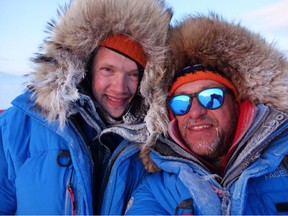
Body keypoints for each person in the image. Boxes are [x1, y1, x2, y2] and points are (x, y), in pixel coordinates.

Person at [0, 0, 172, 214]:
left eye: (133, 74)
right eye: (108, 70)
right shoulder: (22, 125)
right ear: (87, 68)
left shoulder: (156, 148)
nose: (120, 88)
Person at [125, 14, 288, 215]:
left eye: (211, 97)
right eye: (181, 102)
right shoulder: (156, 192)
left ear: (238, 104)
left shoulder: (283, 161)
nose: (196, 111)